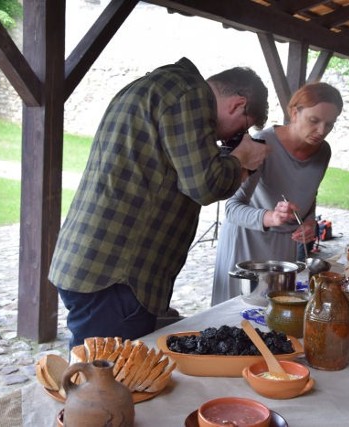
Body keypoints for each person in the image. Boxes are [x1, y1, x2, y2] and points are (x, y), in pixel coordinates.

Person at [48, 57, 270, 348]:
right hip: (116, 278)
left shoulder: (155, 87)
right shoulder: (190, 95)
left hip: (92, 264)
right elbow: (205, 185)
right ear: (238, 105)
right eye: (243, 127)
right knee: (108, 382)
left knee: (92, 372)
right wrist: (242, 158)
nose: (233, 137)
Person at [211, 82, 343, 306]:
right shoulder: (261, 143)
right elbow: (232, 208)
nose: (322, 131)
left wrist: (310, 222)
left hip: (284, 250)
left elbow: (309, 194)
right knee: (234, 322)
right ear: (294, 112)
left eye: (330, 124)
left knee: (278, 321)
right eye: (314, 120)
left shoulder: (324, 151)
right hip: (245, 245)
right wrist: (271, 217)